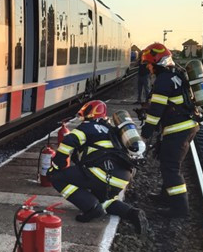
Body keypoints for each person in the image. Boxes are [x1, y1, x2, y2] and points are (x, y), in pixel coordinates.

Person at [48, 100, 148, 233]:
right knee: (105, 201)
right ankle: (132, 213)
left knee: (57, 177)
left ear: (89, 113)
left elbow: (69, 140)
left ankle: (91, 208)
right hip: (122, 176)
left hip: (103, 172)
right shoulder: (112, 129)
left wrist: (56, 165)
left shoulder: (88, 126)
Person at [140, 43, 199, 218]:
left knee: (171, 168)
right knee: (168, 164)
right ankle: (166, 197)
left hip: (178, 129)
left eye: (149, 64)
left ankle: (180, 209)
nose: (148, 68)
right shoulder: (176, 74)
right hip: (185, 126)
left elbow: (156, 110)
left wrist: (146, 132)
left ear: (157, 62)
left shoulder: (163, 80)